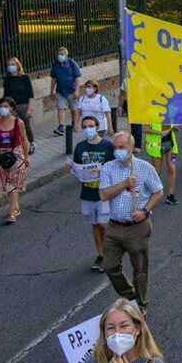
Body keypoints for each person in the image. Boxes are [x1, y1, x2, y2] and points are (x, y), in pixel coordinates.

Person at [99, 132, 164, 311]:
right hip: (114, 226)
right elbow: (104, 195)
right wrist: (124, 184)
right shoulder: (108, 168)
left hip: (137, 228)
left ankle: (141, 305)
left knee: (140, 270)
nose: (118, 151)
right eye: (115, 147)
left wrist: (145, 211)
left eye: (122, 147)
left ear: (131, 147)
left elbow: (158, 192)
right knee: (109, 265)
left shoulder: (144, 168)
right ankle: (130, 295)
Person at [74, 115, 116, 271]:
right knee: (94, 225)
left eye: (90, 126)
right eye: (84, 127)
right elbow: (77, 167)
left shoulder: (107, 146)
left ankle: (109, 253)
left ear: (97, 127)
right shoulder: (80, 147)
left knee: (103, 224)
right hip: (87, 193)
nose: (87, 129)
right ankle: (101, 254)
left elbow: (115, 167)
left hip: (104, 193)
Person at [0, 96, 30, 225]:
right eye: (1, 107)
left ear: (11, 108)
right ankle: (15, 207)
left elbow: (24, 140)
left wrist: (26, 157)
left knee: (13, 185)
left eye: (6, 107)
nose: (3, 109)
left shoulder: (18, 122)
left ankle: (12, 212)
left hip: (16, 155)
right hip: (3, 156)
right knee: (7, 185)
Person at [2, 56, 35, 154]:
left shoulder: (24, 78)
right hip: (12, 107)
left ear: (17, 66)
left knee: (27, 126)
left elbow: (31, 94)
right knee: (12, 126)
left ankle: (32, 143)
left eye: (13, 65)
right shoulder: (7, 79)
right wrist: (4, 107)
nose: (10, 67)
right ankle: (15, 146)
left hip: (24, 105)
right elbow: (5, 95)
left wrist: (30, 108)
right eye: (9, 65)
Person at [51, 45, 83, 137]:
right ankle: (61, 126)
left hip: (71, 91)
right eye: (59, 54)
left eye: (62, 54)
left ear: (66, 55)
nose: (60, 56)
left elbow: (77, 78)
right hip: (60, 91)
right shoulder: (56, 64)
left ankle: (74, 122)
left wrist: (77, 91)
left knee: (73, 109)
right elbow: (53, 78)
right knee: (61, 108)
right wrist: (51, 91)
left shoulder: (71, 62)